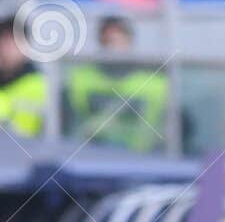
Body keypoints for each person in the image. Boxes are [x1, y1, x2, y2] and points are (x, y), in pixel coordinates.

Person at [65, 16, 168, 152]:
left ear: (130, 40)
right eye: (108, 40)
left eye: (120, 39)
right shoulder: (80, 78)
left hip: (144, 160)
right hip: (92, 159)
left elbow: (173, 129)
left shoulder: (157, 83)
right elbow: (67, 126)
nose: (114, 46)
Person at [0, 18, 46, 138]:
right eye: (3, 41)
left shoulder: (42, 86)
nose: (7, 48)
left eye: (13, 41)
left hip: (29, 152)